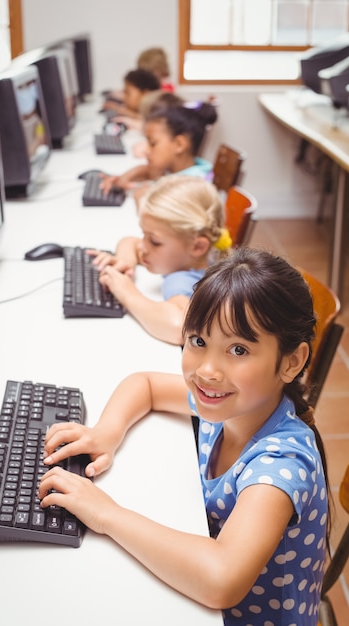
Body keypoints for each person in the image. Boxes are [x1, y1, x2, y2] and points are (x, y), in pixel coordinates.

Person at [39, 247, 329, 626]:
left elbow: (221, 580)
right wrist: (105, 433)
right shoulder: (231, 404)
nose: (207, 370)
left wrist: (107, 514)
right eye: (197, 341)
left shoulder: (281, 465)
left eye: (238, 349)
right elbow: (144, 384)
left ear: (291, 362)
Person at [91, 175, 230, 345]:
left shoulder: (183, 281)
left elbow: (180, 328)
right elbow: (129, 242)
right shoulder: (192, 259)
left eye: (155, 241)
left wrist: (127, 293)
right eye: (144, 235)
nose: (142, 246)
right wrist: (125, 261)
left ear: (197, 247)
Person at [100, 102, 218, 199]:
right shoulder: (180, 168)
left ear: (179, 144)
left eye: (153, 143)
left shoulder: (192, 189)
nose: (146, 150)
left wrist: (142, 200)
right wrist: (123, 178)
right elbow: (147, 171)